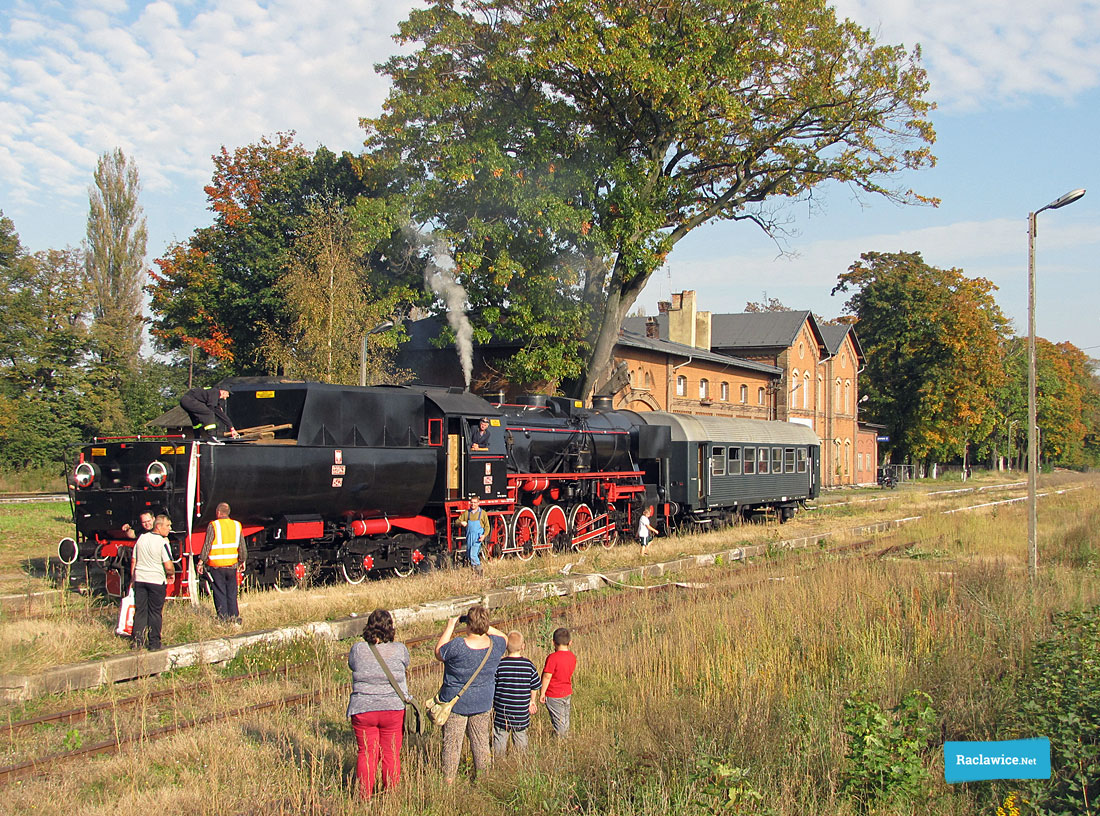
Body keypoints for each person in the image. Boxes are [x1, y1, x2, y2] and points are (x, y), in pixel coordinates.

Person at [434, 605, 507, 784]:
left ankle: (449, 781)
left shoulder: (458, 645)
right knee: (481, 741)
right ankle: (484, 778)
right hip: (483, 701)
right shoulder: (496, 645)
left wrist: (451, 625)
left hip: (455, 703)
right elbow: (504, 637)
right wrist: (484, 626)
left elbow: (439, 652)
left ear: (468, 624)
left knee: (452, 743)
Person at [347, 609, 411, 800]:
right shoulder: (400, 649)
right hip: (392, 709)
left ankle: (363, 796)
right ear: (390, 628)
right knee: (390, 754)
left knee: (366, 753)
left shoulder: (358, 649)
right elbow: (405, 664)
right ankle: (390, 796)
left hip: (363, 709)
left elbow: (352, 665)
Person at [491, 630, 541, 756]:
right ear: (523, 646)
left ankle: (498, 760)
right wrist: (532, 701)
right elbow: (535, 685)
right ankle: (521, 759)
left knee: (500, 736)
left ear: (506, 646)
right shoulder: (528, 665)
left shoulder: (499, 665)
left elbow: (493, 685)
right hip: (521, 711)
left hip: (502, 711)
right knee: (520, 735)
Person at [130, 514, 175, 650]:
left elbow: (134, 560)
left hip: (140, 579)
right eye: (167, 526)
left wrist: (133, 579)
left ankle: (138, 641)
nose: (169, 528)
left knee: (140, 611)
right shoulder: (162, 542)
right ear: (158, 526)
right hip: (156, 580)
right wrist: (171, 574)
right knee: (155, 612)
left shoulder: (141, 539)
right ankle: (154, 643)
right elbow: (168, 565)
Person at [198, 502, 246, 624]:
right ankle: (235, 618)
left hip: (217, 565)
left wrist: (201, 561)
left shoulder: (213, 525)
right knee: (232, 592)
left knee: (219, 592)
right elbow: (242, 546)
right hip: (232, 565)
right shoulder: (237, 525)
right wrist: (242, 560)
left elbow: (207, 545)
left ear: (218, 513)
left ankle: (222, 618)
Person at [540, 627, 576, 738]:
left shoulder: (552, 658)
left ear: (553, 642)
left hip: (553, 694)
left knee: (559, 722)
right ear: (570, 643)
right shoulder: (572, 657)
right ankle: (564, 738)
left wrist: (542, 693)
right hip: (567, 692)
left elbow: (547, 676)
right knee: (565, 718)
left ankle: (561, 741)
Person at [457, 494, 490, 575]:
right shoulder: (467, 513)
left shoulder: (483, 513)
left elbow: (487, 527)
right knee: (469, 555)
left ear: (478, 503)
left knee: (473, 554)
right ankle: (474, 572)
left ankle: (479, 572)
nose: (473, 504)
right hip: (469, 537)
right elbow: (457, 522)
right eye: (471, 502)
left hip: (477, 538)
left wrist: (484, 535)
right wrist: (461, 523)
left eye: (475, 503)